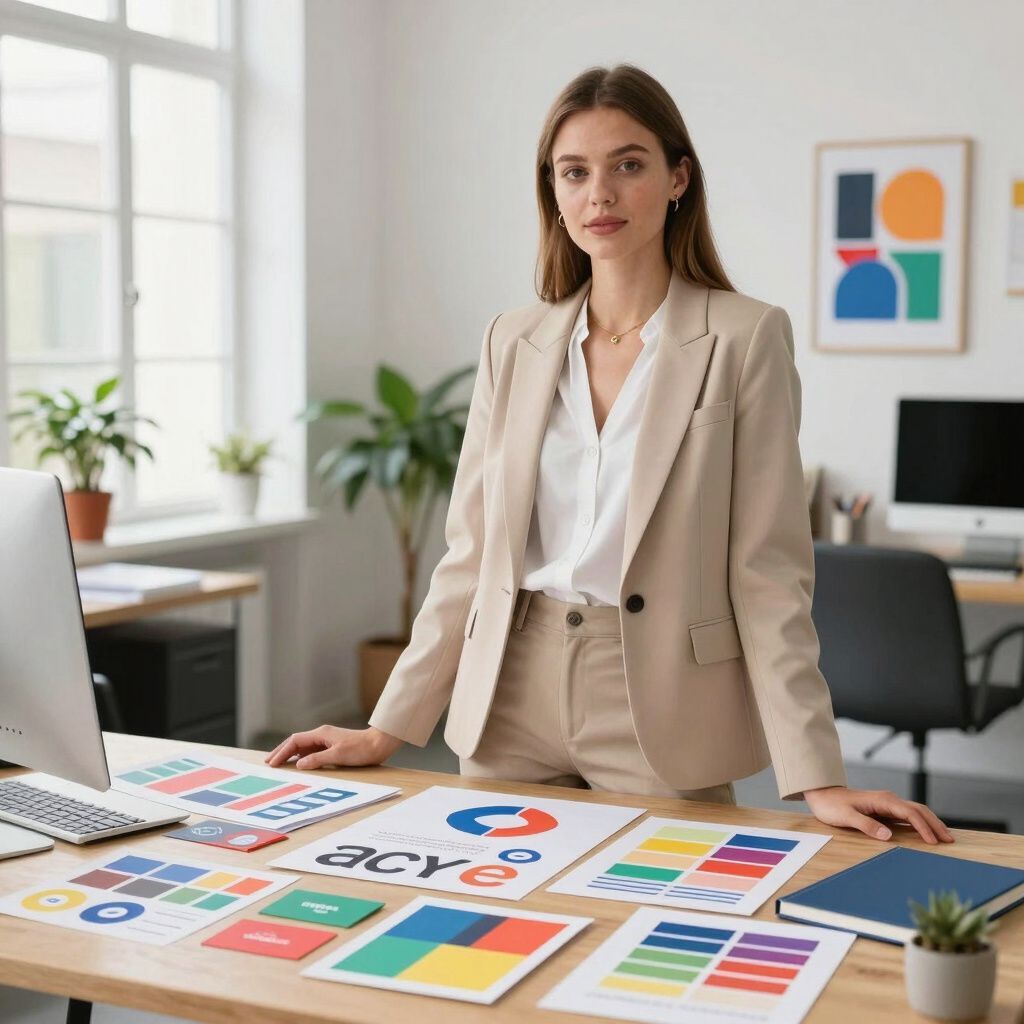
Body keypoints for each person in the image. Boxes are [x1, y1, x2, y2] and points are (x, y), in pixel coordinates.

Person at [268, 64, 953, 846]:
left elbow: (767, 572)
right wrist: (387, 728)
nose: (601, 193)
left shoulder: (744, 337)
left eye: (628, 165)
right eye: (575, 172)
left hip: (659, 703)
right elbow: (472, 554)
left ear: (676, 179)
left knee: (670, 931)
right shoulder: (512, 340)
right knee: (499, 929)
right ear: (554, 194)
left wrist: (817, 775)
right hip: (509, 696)